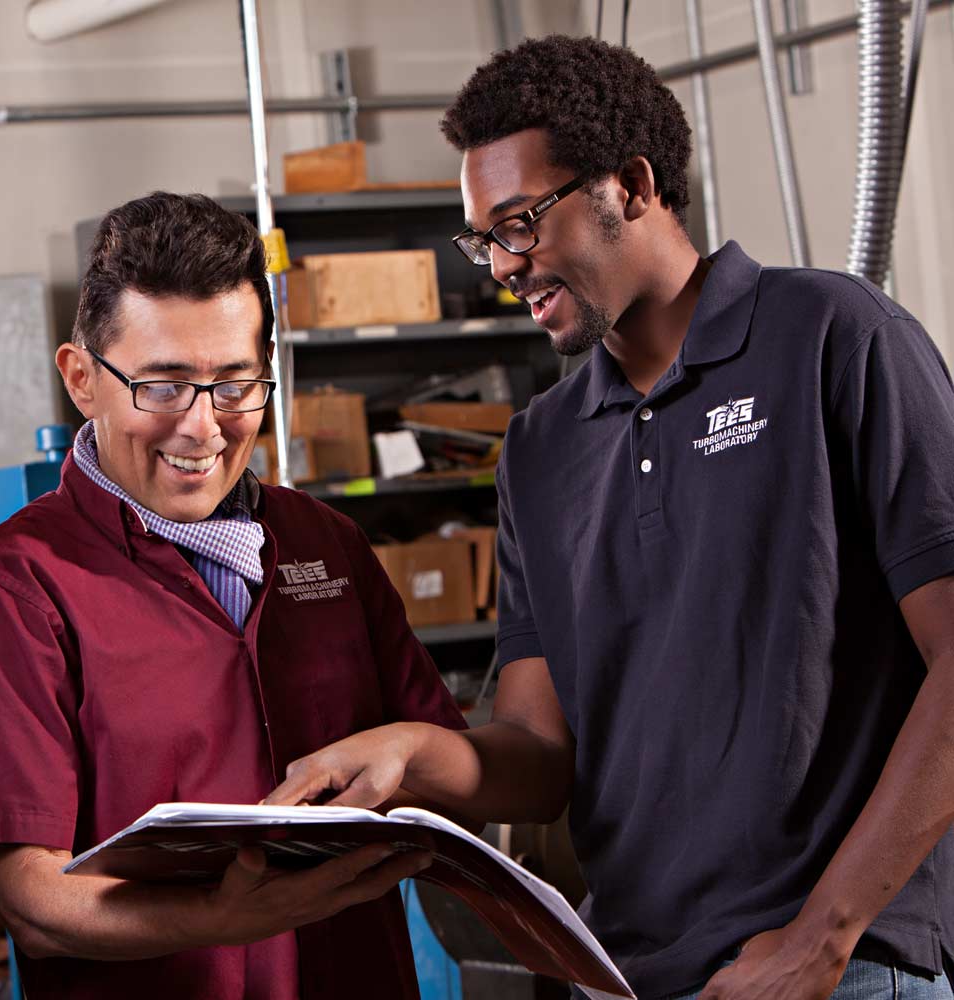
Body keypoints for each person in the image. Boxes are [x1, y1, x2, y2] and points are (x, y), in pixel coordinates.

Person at [266, 34, 954, 1000]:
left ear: (630, 185)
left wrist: (823, 936)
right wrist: (412, 756)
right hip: (627, 974)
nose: (501, 266)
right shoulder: (542, 449)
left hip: (829, 971)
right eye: (482, 238)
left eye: (519, 223)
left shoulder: (834, 339)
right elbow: (541, 759)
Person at [0, 190, 466, 999]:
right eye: (163, 386)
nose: (204, 426)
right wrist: (230, 915)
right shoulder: (8, 597)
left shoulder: (326, 548)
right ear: (81, 379)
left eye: (236, 383)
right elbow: (34, 901)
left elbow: (445, 779)